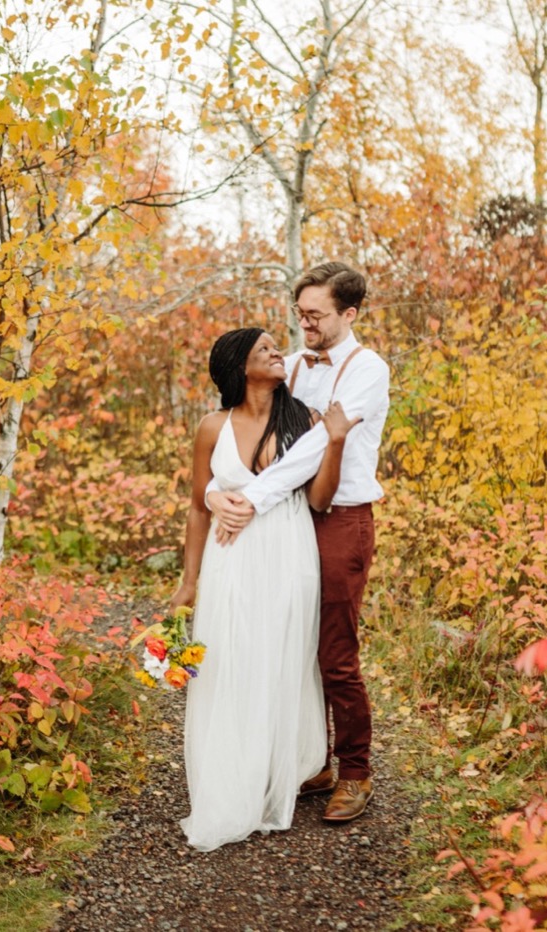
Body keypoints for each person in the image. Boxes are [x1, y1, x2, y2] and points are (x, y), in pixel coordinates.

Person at [208, 261, 389, 824]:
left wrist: (249, 500)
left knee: (334, 653)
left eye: (316, 315)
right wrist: (218, 490)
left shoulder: (368, 370)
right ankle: (311, 758)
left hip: (339, 518)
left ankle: (354, 771)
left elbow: (312, 449)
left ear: (348, 314)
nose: (303, 324)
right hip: (285, 519)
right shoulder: (289, 362)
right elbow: (249, 427)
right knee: (286, 642)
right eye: (300, 312)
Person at [168, 327, 361, 852]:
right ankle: (231, 779)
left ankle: (280, 773)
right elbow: (194, 504)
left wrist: (336, 440)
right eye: (264, 349)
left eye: (278, 346)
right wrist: (190, 582)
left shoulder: (302, 420)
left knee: (281, 660)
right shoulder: (213, 426)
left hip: (288, 550)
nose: (278, 353)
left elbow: (319, 500)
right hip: (230, 558)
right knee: (230, 661)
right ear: (238, 366)